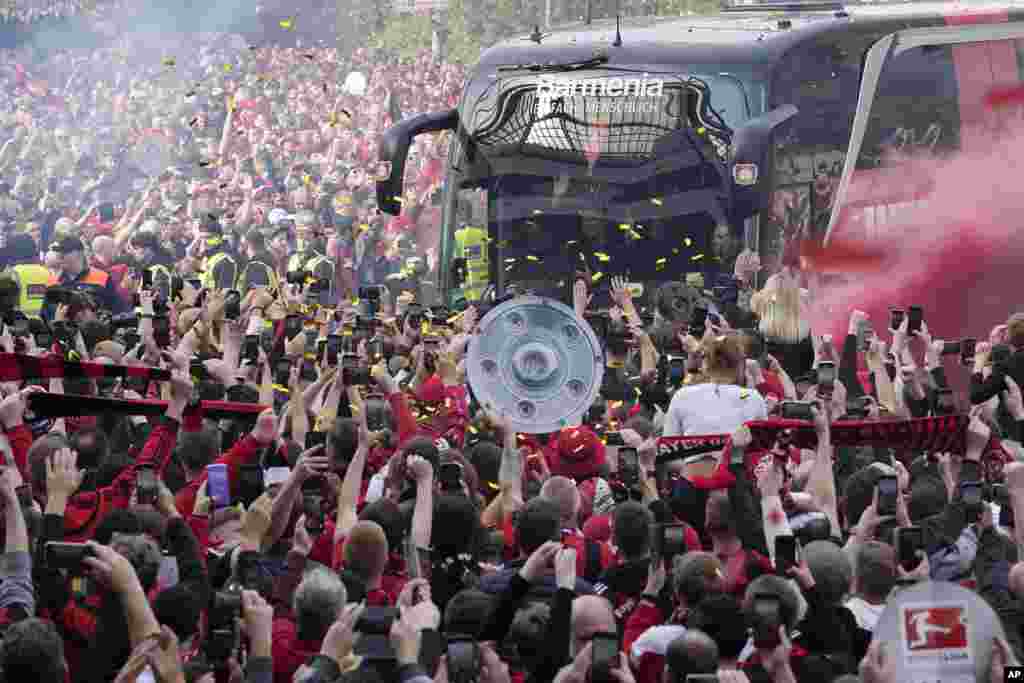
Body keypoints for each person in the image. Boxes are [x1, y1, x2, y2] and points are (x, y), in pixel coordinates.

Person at [663, 334, 768, 437]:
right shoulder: (752, 397)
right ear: (741, 364)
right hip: (736, 454)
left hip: (695, 454)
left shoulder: (681, 396)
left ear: (706, 364)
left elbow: (667, 445)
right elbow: (762, 446)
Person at [44, 235, 125, 316]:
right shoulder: (53, 282)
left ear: (79, 254)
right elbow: (47, 315)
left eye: (64, 252)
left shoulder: (102, 277)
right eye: (58, 253)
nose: (59, 256)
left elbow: (118, 310)